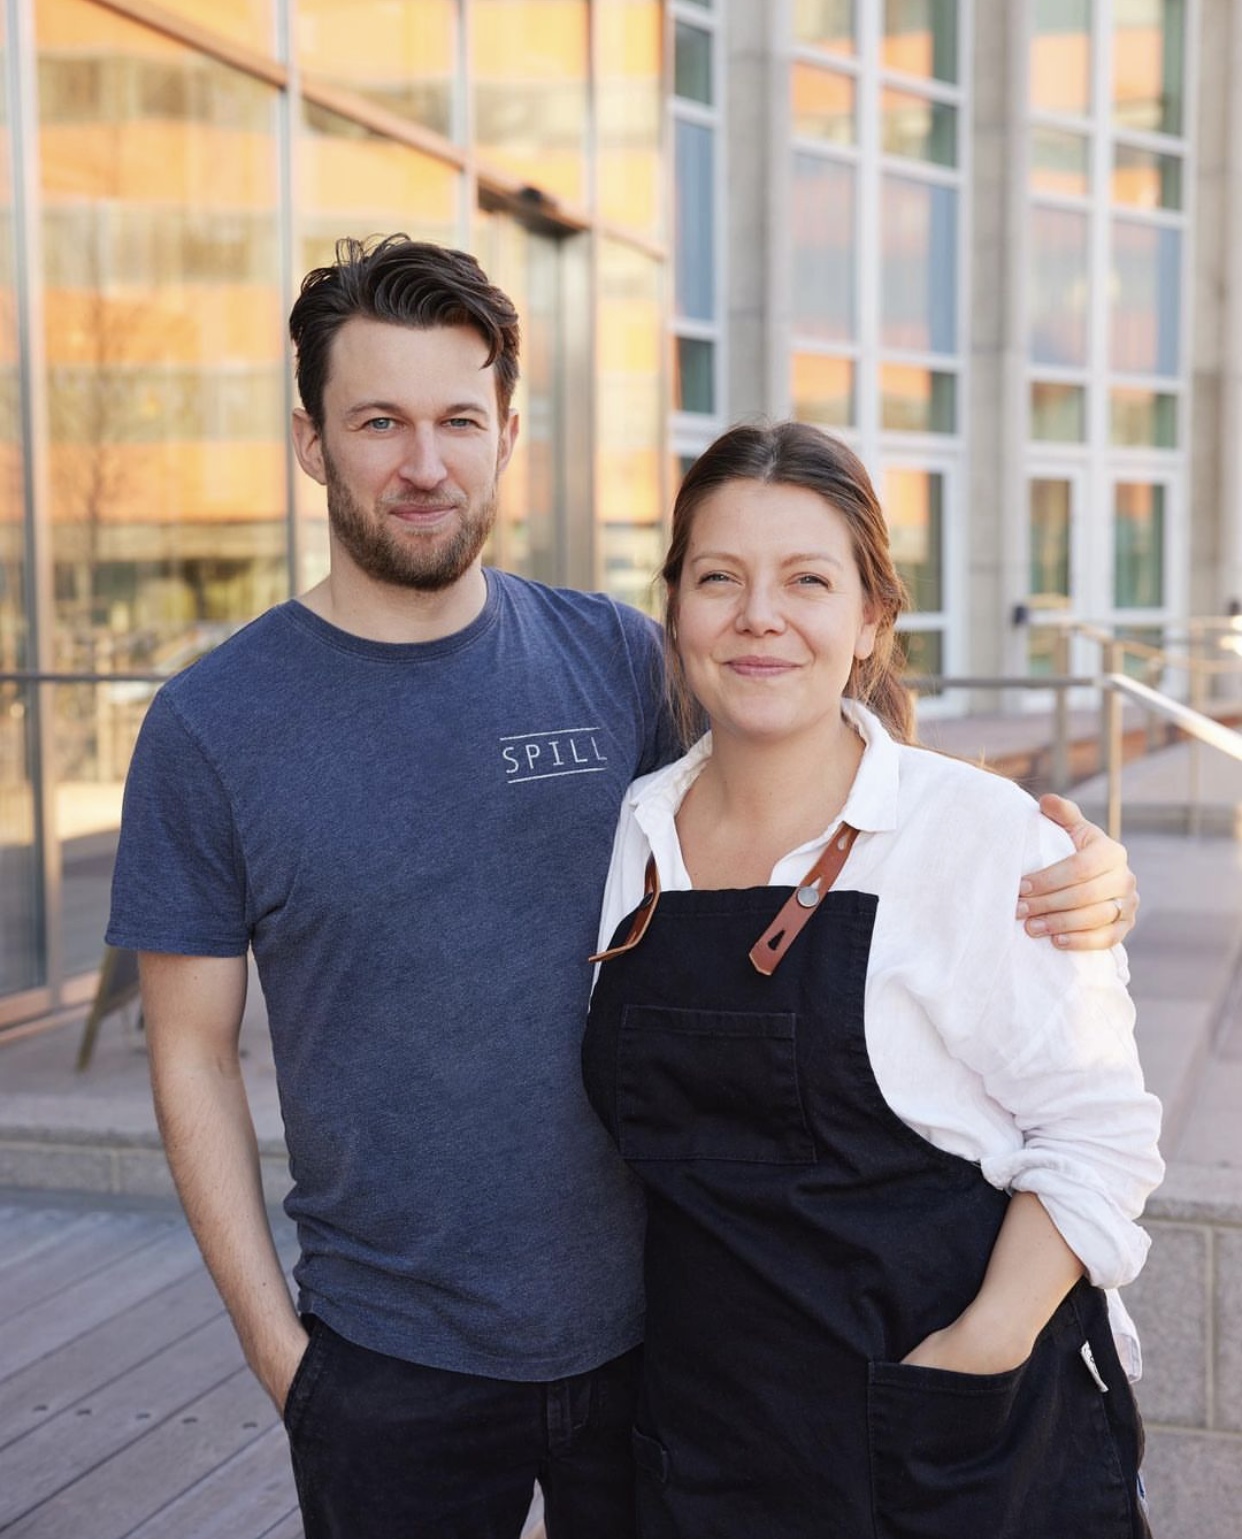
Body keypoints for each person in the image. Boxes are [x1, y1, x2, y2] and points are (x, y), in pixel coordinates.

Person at [106, 237, 1140, 1539]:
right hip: (386, 1360)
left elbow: (807, 760)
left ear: (506, 433)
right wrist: (283, 1355)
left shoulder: (609, 658)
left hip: (662, 1344)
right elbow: (188, 1052)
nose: (423, 462)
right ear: (312, 441)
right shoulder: (212, 725)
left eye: (456, 419)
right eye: (378, 421)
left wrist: (1060, 876)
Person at [582, 420, 1163, 1538]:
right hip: (711, 1447)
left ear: (869, 621)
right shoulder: (640, 829)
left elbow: (1099, 1132)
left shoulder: (987, 838)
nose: (760, 615)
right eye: (720, 579)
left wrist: (974, 1357)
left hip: (956, 1454)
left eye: (807, 578)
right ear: (677, 611)